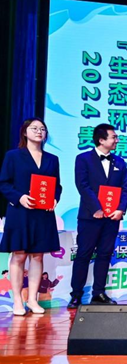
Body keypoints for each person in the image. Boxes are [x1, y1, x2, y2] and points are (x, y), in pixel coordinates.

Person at [0, 118, 62, 315]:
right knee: (19, 255)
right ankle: (18, 300)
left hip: (43, 213)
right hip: (20, 211)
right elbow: (4, 183)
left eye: (42, 129)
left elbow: (57, 185)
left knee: (37, 255)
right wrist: (20, 198)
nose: (39, 131)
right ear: (25, 132)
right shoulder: (13, 156)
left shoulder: (52, 159)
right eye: (34, 128)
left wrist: (55, 198)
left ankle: (33, 300)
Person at [69, 123, 127, 309]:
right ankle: (76, 295)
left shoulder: (120, 162)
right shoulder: (83, 159)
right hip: (90, 217)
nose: (117, 140)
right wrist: (96, 208)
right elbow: (82, 185)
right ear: (101, 140)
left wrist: (121, 209)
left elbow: (125, 188)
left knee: (105, 254)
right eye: (113, 137)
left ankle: (99, 293)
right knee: (83, 254)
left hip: (112, 218)